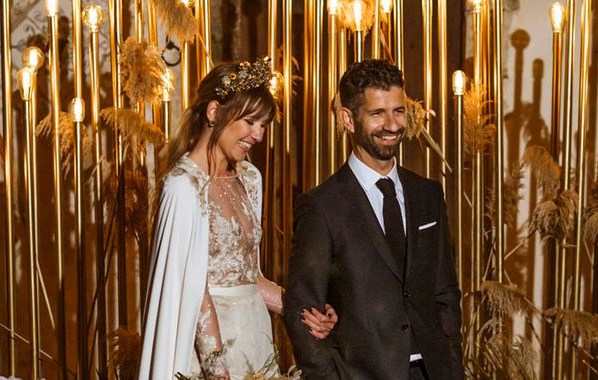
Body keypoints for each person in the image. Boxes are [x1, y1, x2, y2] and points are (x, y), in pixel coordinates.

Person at [138, 58, 336, 380]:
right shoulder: (183, 187)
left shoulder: (249, 178)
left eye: (264, 125)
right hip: (209, 351)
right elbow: (195, 292)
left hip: (254, 339)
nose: (258, 135)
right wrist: (218, 372)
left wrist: (302, 310)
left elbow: (251, 278)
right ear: (215, 113)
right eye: (250, 122)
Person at [283, 59, 464, 380]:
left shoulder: (429, 195)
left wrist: (451, 368)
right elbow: (303, 309)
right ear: (348, 119)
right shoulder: (321, 207)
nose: (392, 125)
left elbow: (445, 292)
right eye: (377, 113)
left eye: (398, 111)